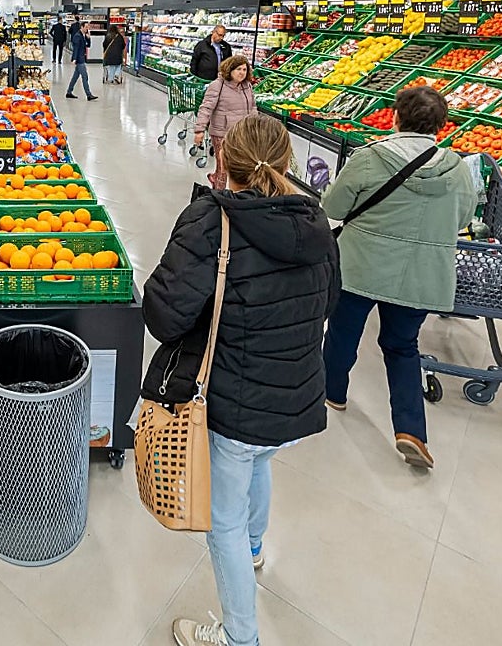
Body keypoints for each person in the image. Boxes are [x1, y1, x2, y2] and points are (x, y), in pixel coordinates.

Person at [143, 114, 340, 646]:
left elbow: (165, 316)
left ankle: (239, 637)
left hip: (234, 400)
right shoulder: (316, 224)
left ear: (222, 159)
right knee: (259, 460)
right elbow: (330, 303)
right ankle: (256, 546)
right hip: (296, 396)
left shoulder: (210, 221)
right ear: (287, 162)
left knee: (221, 520)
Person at [321, 86, 477, 469]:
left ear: (396, 116)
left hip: (362, 265)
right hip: (422, 274)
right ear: (441, 124)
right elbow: (461, 221)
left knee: (343, 331)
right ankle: (411, 431)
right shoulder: (457, 169)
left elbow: (335, 207)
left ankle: (332, 392)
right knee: (402, 346)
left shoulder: (370, 158)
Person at [195, 55, 257, 190]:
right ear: (230, 70)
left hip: (242, 133)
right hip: (221, 132)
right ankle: (218, 196)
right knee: (223, 167)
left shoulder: (247, 86)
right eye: (238, 69)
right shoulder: (217, 85)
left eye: (244, 69)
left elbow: (252, 107)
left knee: (239, 165)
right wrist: (199, 130)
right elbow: (206, 107)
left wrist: (254, 126)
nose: (242, 73)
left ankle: (215, 178)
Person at [65, 21, 97, 101]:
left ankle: (69, 92)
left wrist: (89, 38)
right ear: (81, 27)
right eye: (86, 27)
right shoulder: (77, 36)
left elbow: (88, 45)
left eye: (88, 27)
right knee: (85, 76)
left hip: (81, 58)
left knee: (75, 77)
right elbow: (76, 48)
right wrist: (74, 59)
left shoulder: (83, 36)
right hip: (79, 59)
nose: (87, 29)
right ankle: (88, 95)